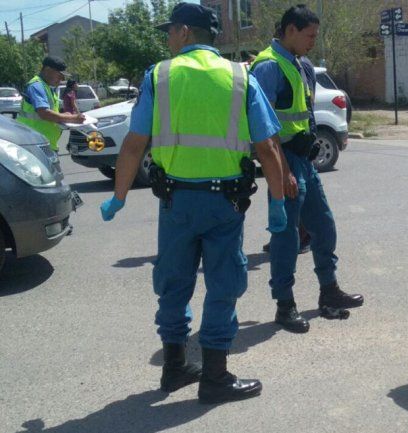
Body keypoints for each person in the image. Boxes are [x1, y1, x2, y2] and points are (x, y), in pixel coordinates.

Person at [99, 2, 286, 404]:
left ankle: (174, 367)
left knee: (173, 283)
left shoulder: (159, 76)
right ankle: (214, 377)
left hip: (176, 203)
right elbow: (268, 148)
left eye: (170, 31)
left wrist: (118, 197)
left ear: (184, 31)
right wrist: (277, 203)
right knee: (223, 285)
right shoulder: (240, 76)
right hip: (225, 204)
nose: (168, 38)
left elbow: (133, 144)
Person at [250, 4, 363, 333]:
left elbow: (305, 115)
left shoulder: (302, 64)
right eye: (310, 35)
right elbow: (262, 128)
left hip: (303, 160)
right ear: (290, 31)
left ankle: (329, 291)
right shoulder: (268, 67)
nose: (314, 41)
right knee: (286, 236)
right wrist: (283, 170)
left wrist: (310, 146)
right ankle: (285, 305)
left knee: (323, 226)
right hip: (281, 160)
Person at [17, 56, 84, 151]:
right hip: (35, 144)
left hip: (43, 144)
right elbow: (44, 113)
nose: (62, 78)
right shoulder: (36, 86)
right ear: (47, 70)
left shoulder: (46, 86)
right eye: (60, 75)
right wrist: (72, 118)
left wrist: (64, 115)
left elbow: (49, 112)